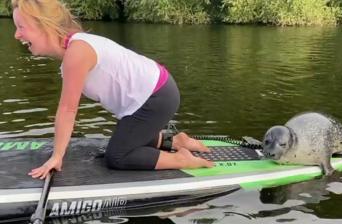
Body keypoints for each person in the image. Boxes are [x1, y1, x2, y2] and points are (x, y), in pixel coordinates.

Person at [11, 0, 214, 179]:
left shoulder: (77, 53)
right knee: (127, 136)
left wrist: (56, 157)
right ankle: (176, 140)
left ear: (45, 25)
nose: (16, 34)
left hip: (157, 97)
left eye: (21, 27)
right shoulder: (74, 47)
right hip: (155, 92)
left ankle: (181, 159)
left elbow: (67, 110)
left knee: (118, 156)